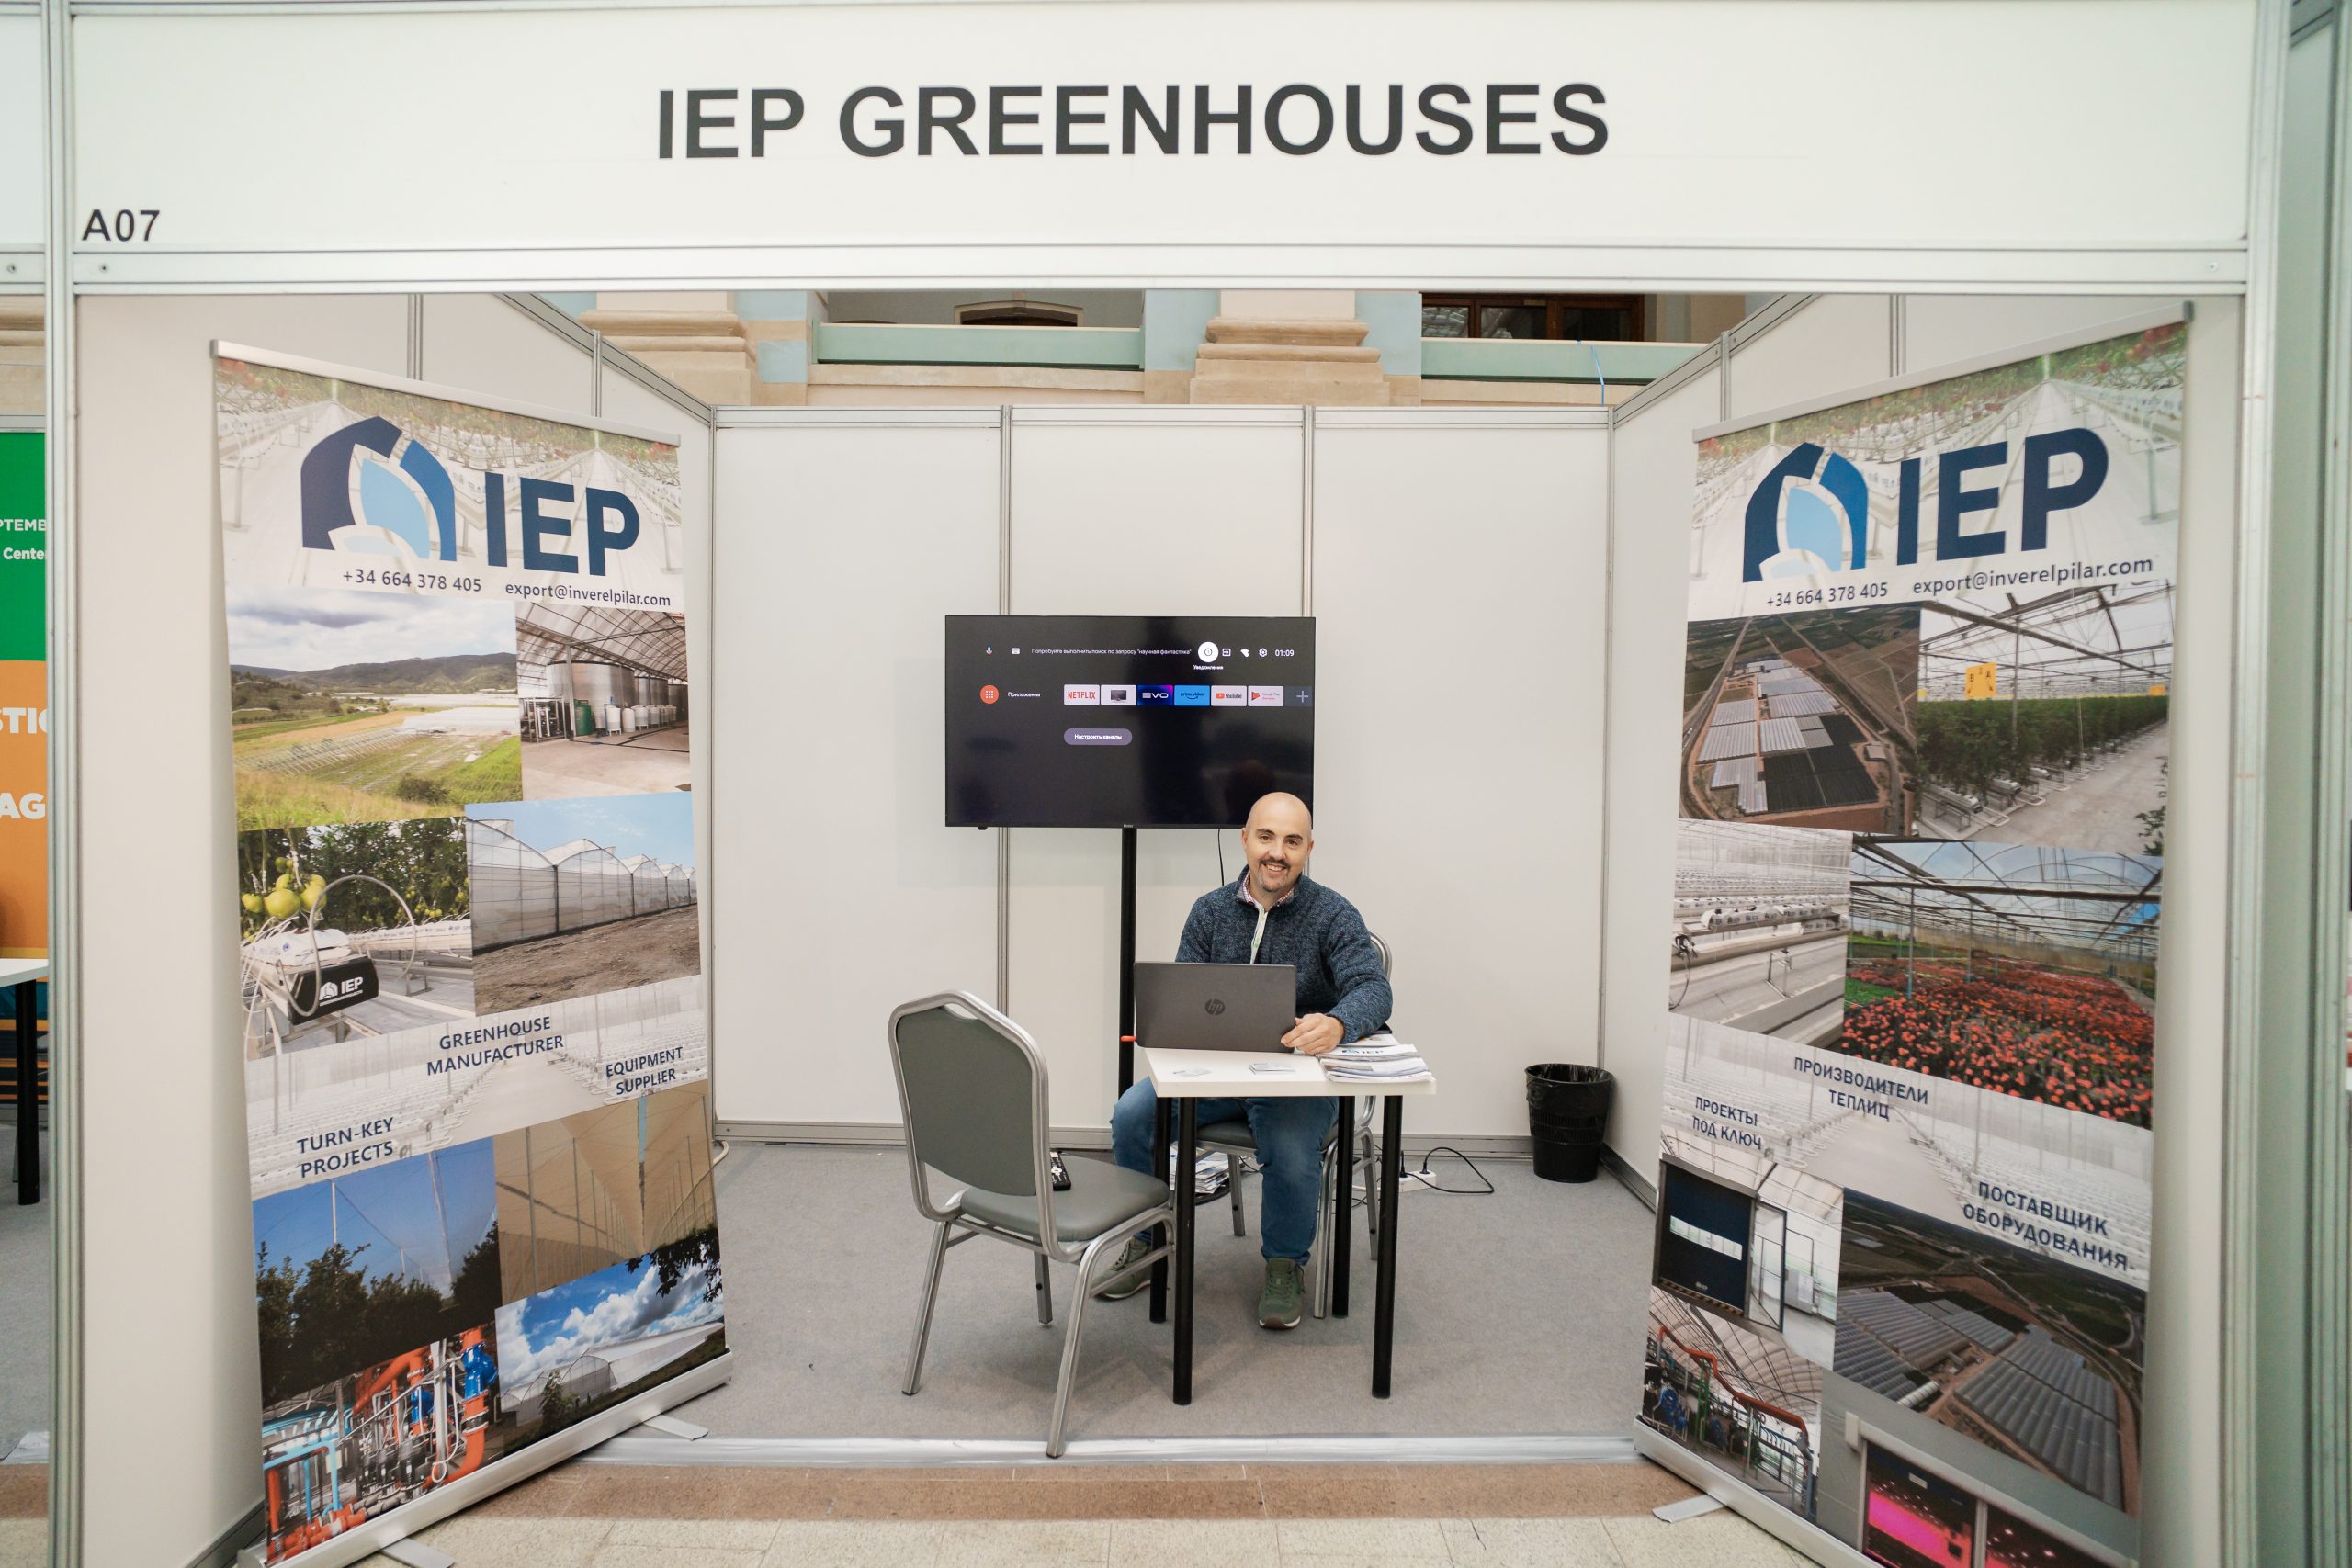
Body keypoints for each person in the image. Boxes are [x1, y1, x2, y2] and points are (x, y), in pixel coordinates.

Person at [1099, 791, 1392, 1329]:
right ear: (1245, 840)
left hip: (1296, 1082)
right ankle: (1146, 1241)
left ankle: (1284, 1265)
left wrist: (1338, 1023)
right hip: (1216, 1076)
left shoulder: (1333, 913)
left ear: (1308, 849)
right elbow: (1185, 994)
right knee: (1132, 1116)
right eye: (1266, 837)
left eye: (1292, 841)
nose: (1277, 852)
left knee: (1290, 1148)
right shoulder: (1210, 911)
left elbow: (1373, 988)